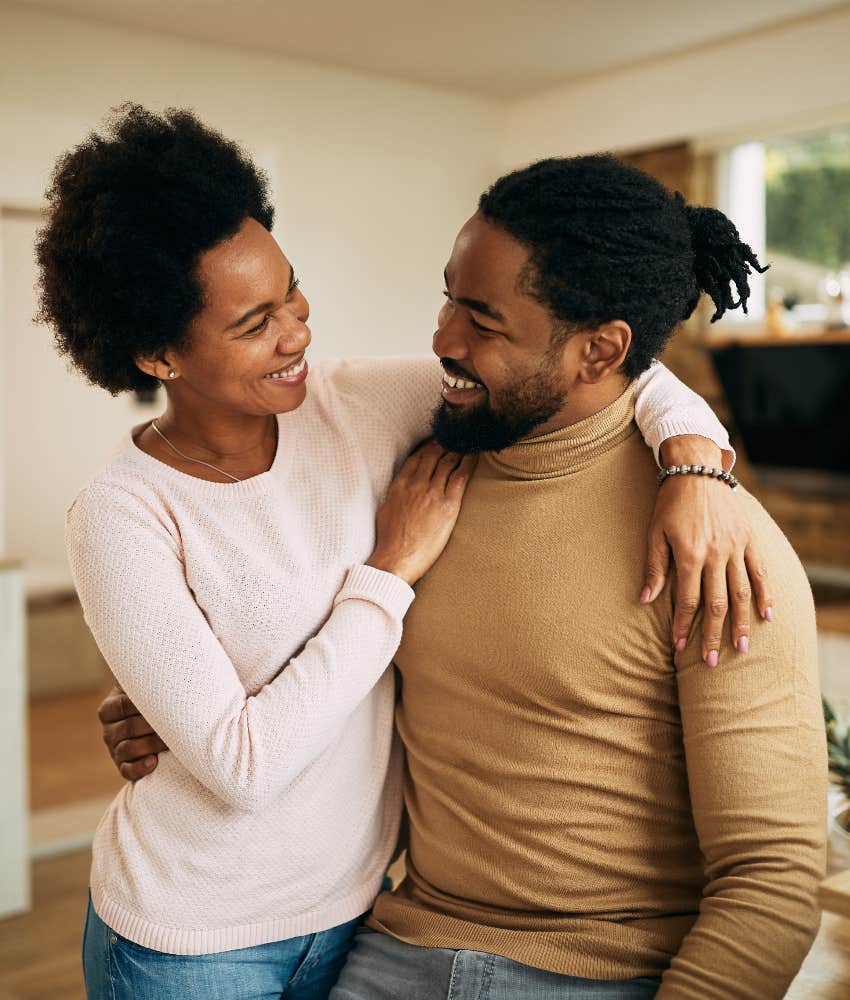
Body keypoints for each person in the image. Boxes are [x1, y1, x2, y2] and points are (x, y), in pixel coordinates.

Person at [42, 105, 759, 1000]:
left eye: (292, 290)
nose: (298, 331)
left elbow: (597, 363)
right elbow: (243, 766)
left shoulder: (357, 406)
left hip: (357, 915)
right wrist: (387, 576)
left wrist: (696, 464)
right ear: (158, 353)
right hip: (191, 942)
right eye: (254, 322)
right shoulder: (121, 513)